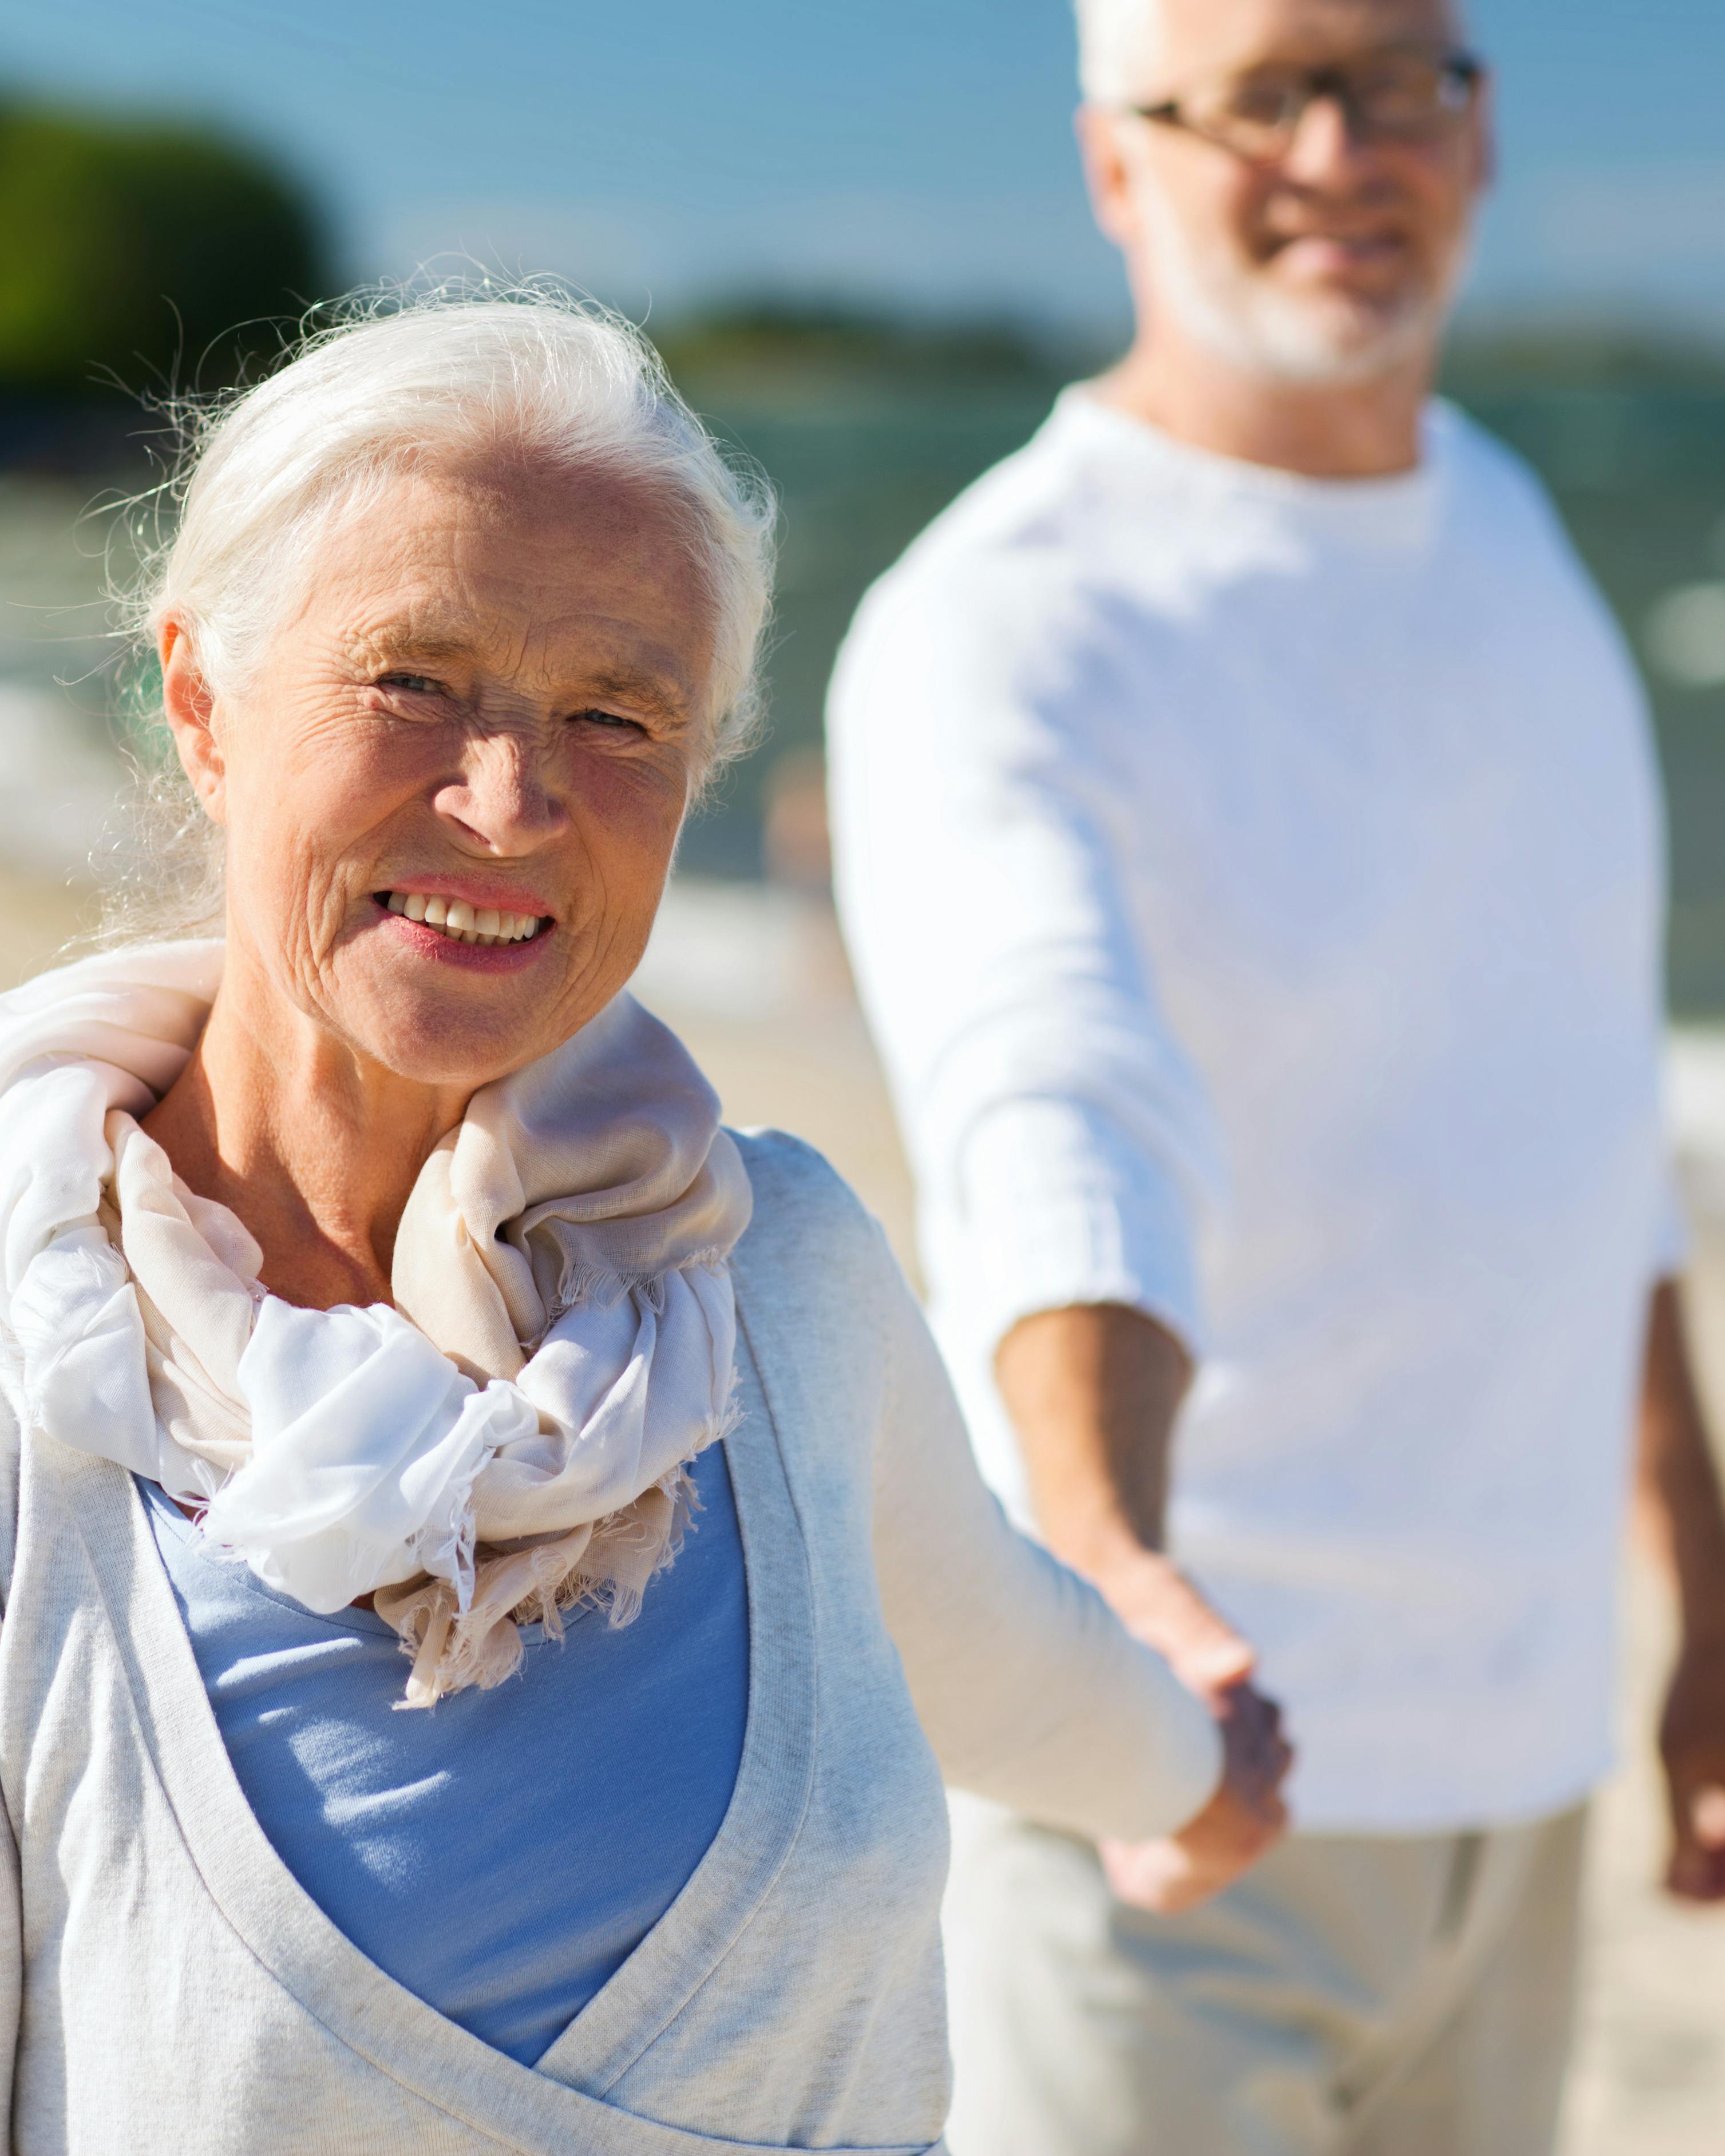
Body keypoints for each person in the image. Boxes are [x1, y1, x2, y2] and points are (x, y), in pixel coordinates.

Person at [0, 289, 1287, 2155]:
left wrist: (1200, 1766)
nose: (510, 806)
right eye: (414, 680)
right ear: (204, 705)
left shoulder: (775, 1280)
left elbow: (992, 1646)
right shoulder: (39, 1389)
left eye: (617, 715)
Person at [827, 2, 1725, 2150]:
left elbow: (1595, 1129)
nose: (1341, 147)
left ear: (1485, 137)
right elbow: (1053, 1105)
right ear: (1116, 166)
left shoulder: (1517, 554)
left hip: (1525, 1767)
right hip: (1154, 1782)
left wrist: (1700, 1598)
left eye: (1402, 78)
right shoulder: (1003, 621)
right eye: (1257, 93)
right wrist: (1117, 1568)